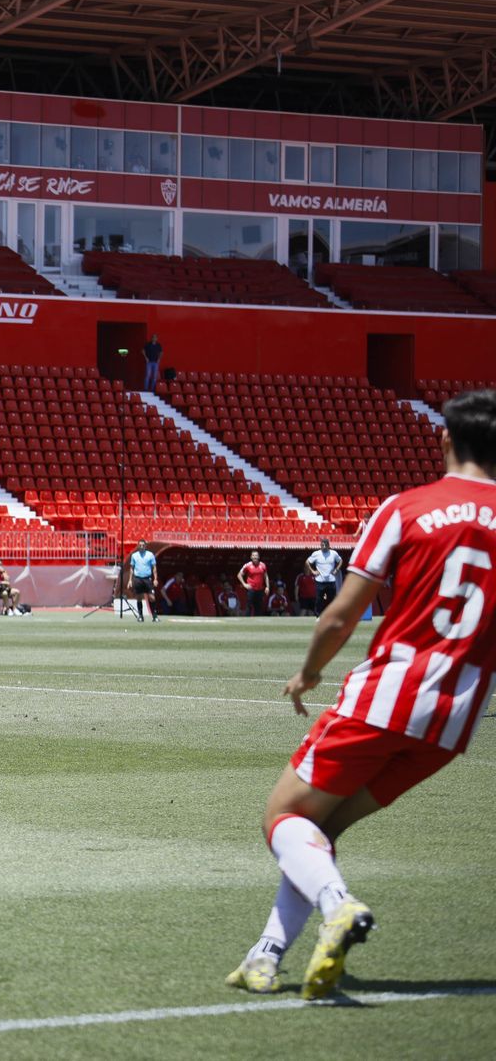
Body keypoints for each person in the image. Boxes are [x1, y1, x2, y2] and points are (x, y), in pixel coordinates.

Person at [225, 388, 496, 1001]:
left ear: (446, 439)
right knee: (317, 832)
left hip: (387, 697)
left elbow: (341, 616)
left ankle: (339, 907)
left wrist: (310, 672)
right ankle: (265, 957)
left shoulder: (408, 508)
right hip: (453, 723)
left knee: (282, 817)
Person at [306, 538, 345, 615]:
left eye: (325, 545)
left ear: (328, 546)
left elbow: (340, 561)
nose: (323, 547)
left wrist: (336, 569)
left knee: (331, 599)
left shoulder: (334, 553)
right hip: (320, 581)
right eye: (322, 545)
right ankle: (318, 616)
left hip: (331, 580)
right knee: (319, 600)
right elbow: (307, 562)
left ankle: (331, 615)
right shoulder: (316, 554)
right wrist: (313, 571)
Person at [125, 540, 158, 622]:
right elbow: (132, 568)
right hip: (138, 578)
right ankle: (140, 615)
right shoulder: (134, 556)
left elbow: (154, 567)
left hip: (147, 578)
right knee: (139, 598)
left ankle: (154, 616)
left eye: (143, 545)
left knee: (152, 597)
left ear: (145, 546)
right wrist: (130, 580)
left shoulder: (150, 555)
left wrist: (155, 579)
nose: (141, 546)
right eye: (140, 545)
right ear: (138, 546)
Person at [238, 549, 270, 616]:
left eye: (256, 555)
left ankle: (257, 622)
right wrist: (244, 584)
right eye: (253, 555)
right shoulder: (247, 565)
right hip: (251, 589)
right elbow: (239, 575)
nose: (255, 557)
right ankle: (247, 621)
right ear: (251, 557)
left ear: (259, 557)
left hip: (260, 589)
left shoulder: (263, 565)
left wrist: (267, 586)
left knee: (259, 606)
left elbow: (266, 576)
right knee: (249, 605)